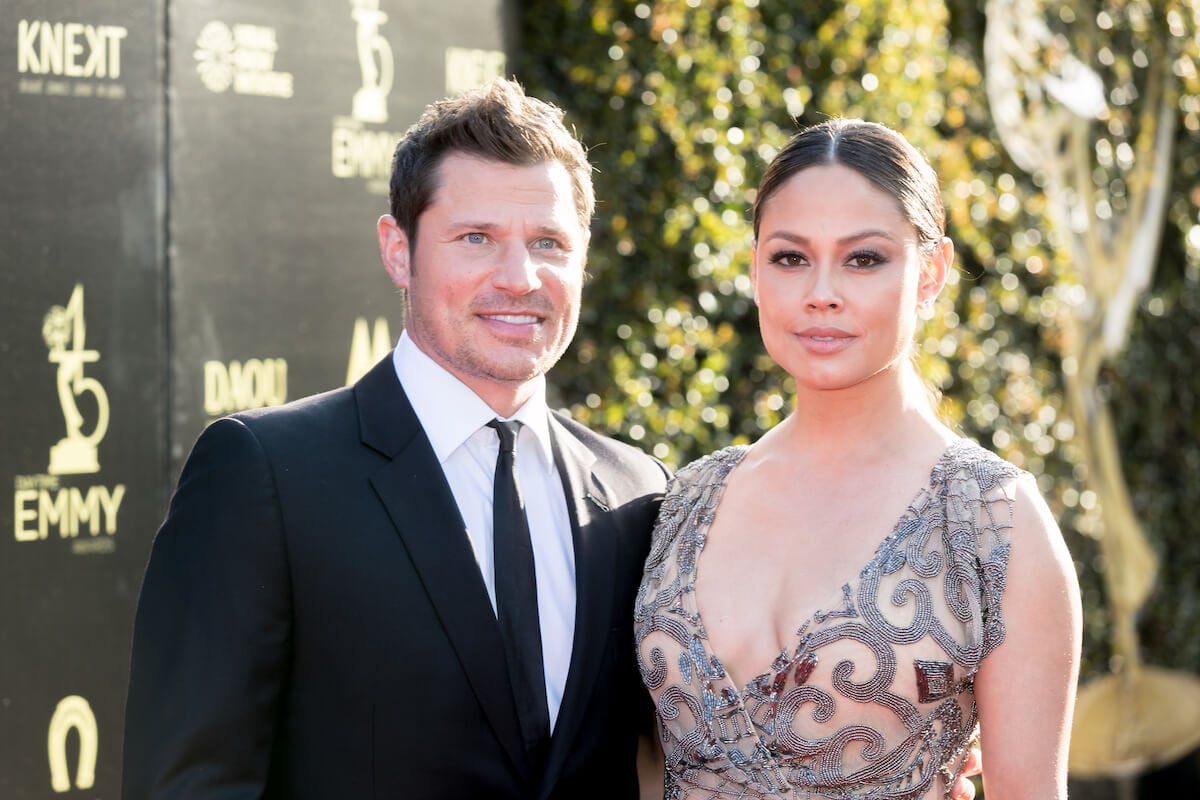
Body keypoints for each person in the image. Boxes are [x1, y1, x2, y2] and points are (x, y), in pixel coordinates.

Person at [121, 78, 670, 799]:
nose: (520, 277)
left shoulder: (637, 493)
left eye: (549, 243)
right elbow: (188, 784)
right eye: (477, 238)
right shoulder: (268, 477)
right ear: (399, 251)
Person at [634, 118, 1082, 799]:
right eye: (790, 258)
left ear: (931, 273)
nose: (822, 292)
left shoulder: (994, 526)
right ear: (755, 269)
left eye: (863, 259)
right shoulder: (690, 499)